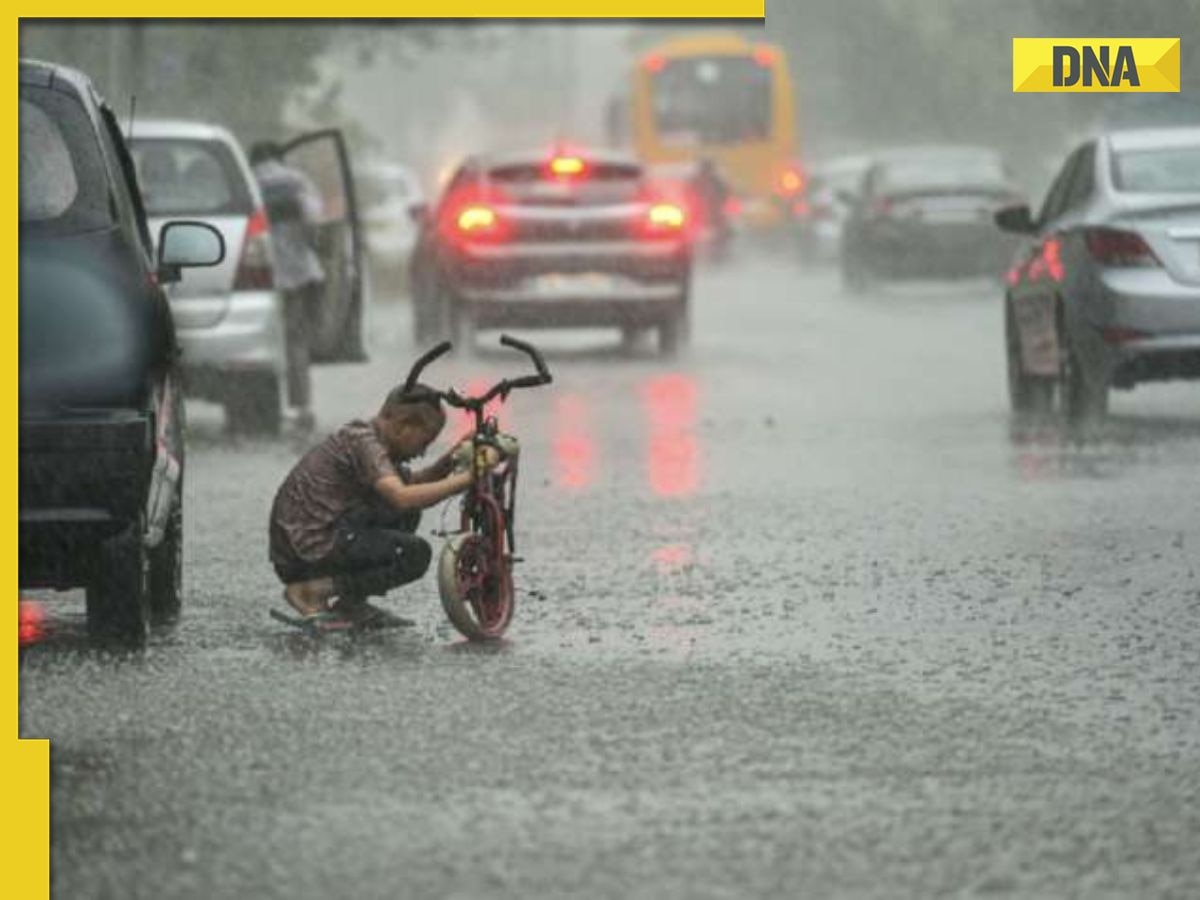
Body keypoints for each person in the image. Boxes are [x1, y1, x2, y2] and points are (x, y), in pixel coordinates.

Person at [268, 382, 496, 628]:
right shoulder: (364, 443)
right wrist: (470, 477)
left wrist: (453, 457)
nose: (422, 452)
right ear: (402, 426)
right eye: (424, 442)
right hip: (307, 552)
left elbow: (414, 485)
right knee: (415, 554)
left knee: (405, 515)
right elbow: (402, 496)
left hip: (307, 547)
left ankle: (350, 604)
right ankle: (311, 592)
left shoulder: (368, 439)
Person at [249, 140, 324, 432]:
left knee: (262, 344)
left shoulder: (248, 180)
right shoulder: (297, 180)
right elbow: (314, 219)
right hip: (301, 273)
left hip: (260, 276)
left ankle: (262, 408)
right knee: (297, 341)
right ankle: (301, 406)